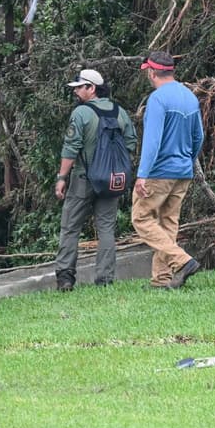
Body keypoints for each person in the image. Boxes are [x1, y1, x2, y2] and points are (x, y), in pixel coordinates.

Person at [53, 69, 139, 291]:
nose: (76, 92)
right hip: (112, 180)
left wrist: (62, 177)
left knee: (70, 227)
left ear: (91, 88)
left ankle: (65, 278)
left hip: (83, 178)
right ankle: (105, 279)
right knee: (107, 229)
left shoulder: (81, 113)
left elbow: (70, 148)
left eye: (79, 87)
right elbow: (131, 143)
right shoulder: (120, 112)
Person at [132, 51, 204, 289]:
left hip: (159, 171)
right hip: (182, 170)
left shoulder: (158, 99)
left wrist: (143, 174)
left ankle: (182, 261)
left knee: (141, 218)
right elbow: (198, 137)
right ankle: (162, 280)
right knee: (168, 222)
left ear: (152, 72)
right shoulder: (190, 97)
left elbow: (152, 141)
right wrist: (187, 160)